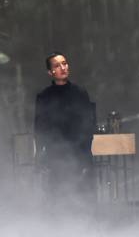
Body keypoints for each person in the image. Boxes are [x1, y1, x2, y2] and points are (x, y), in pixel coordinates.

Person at [34, 52, 96, 202]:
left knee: (83, 197)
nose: (63, 67)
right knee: (59, 198)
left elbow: (89, 124)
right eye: (57, 65)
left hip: (79, 154)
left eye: (64, 63)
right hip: (56, 156)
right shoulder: (44, 96)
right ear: (50, 72)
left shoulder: (80, 93)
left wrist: (85, 155)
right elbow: (40, 128)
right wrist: (43, 156)